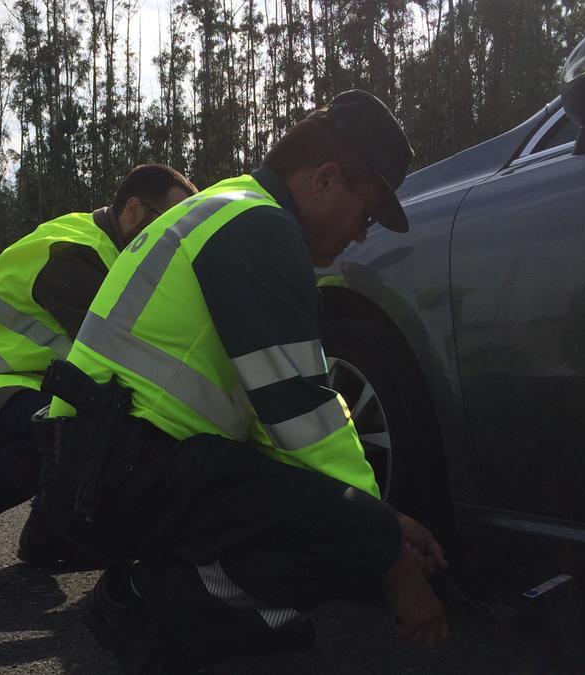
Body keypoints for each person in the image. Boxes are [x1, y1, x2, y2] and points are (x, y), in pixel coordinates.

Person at [38, 90, 449, 672]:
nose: (362, 235)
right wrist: (389, 547)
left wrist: (377, 526)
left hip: (98, 462)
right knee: (347, 531)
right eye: (368, 212)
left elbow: (270, 423)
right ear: (327, 179)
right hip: (121, 468)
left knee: (328, 513)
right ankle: (149, 600)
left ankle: (193, 603)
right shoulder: (259, 229)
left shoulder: (226, 206)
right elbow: (303, 417)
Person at [0, 164, 198, 595]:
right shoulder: (75, 256)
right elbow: (122, 357)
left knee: (78, 416)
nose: (173, 242)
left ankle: (49, 535)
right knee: (73, 427)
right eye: (168, 224)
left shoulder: (102, 249)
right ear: (134, 210)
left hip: (2, 391)